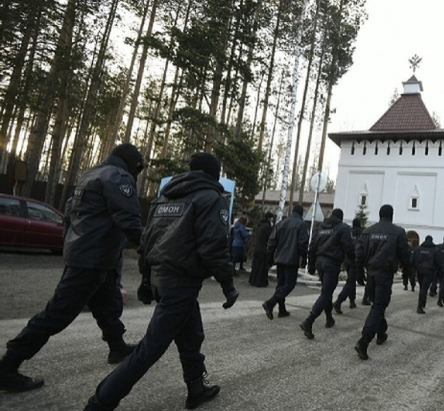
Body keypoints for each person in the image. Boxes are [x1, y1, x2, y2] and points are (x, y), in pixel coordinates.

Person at [83, 152, 240, 411]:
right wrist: (228, 286)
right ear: (214, 174)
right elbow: (213, 248)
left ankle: (196, 388)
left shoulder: (165, 197)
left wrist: (146, 280)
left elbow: (147, 241)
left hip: (164, 279)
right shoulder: (211, 199)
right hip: (181, 282)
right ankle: (100, 402)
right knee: (150, 349)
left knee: (191, 335)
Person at [0, 144, 144, 393]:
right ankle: (7, 366)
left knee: (107, 305)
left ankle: (117, 346)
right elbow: (129, 219)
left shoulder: (90, 175)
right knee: (56, 314)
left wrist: (73, 245)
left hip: (91, 255)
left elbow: (68, 216)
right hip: (93, 259)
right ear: (132, 164)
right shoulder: (118, 177)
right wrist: (151, 248)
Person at [353, 204, 413, 360]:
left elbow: (358, 254)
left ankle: (381, 332)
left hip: (371, 274)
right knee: (379, 306)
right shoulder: (398, 232)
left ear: (379, 215)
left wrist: (360, 273)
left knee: (377, 304)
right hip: (384, 275)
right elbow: (405, 256)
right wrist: (407, 272)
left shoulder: (367, 232)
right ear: (391, 215)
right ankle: (364, 340)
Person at [300, 209, 354, 339]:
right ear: (341, 218)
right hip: (332, 264)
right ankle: (309, 320)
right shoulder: (343, 228)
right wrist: (353, 261)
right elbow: (348, 247)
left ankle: (329, 318)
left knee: (326, 291)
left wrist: (311, 265)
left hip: (320, 263)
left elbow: (312, 246)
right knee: (326, 293)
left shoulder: (320, 228)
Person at [262, 205, 309, 320]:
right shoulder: (302, 225)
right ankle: (270, 303)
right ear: (301, 213)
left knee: (281, 284)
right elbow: (303, 244)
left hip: (280, 258)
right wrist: (304, 259)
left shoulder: (281, 223)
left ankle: (281, 309)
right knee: (289, 284)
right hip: (291, 259)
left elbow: (271, 242)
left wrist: (270, 257)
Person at [333, 218, 364, 313]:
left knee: (351, 280)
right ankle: (339, 301)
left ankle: (352, 301)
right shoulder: (362, 234)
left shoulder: (349, 232)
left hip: (347, 260)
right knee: (350, 282)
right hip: (356, 260)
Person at [249, 212, 275, 287]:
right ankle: (260, 281)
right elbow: (270, 238)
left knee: (256, 266)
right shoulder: (267, 227)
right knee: (262, 267)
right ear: (269, 218)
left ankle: (253, 280)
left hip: (258, 248)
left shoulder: (260, 226)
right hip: (263, 249)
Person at [413, 235, 438, 314]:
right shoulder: (435, 250)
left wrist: (415, 268)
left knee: (422, 287)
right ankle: (420, 306)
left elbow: (413, 258)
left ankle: (422, 303)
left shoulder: (418, 249)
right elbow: (437, 260)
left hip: (420, 271)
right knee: (424, 288)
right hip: (429, 271)